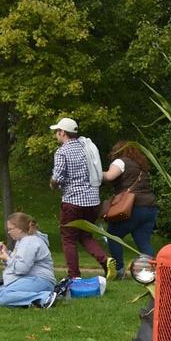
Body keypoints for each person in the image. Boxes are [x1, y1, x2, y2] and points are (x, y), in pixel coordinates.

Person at [49, 117, 115, 280]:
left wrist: (52, 184)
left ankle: (74, 275)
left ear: (62, 133)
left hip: (73, 201)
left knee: (68, 238)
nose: (56, 134)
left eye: (57, 132)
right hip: (93, 201)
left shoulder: (62, 151)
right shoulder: (87, 147)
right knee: (86, 235)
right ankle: (105, 260)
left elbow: (58, 177)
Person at [102, 141, 158, 278]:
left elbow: (109, 176)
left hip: (133, 207)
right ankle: (150, 273)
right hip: (150, 207)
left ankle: (119, 270)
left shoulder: (121, 162)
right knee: (144, 242)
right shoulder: (141, 165)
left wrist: (95, 172)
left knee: (113, 235)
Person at [0, 213, 58, 308]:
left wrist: (7, 258)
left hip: (40, 280)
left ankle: (45, 298)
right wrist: (7, 253)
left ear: (20, 228)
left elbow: (21, 269)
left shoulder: (29, 242)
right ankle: (33, 300)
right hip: (31, 279)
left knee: (3, 297)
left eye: (11, 229)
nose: (9, 232)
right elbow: (19, 261)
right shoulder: (23, 241)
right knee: (3, 294)